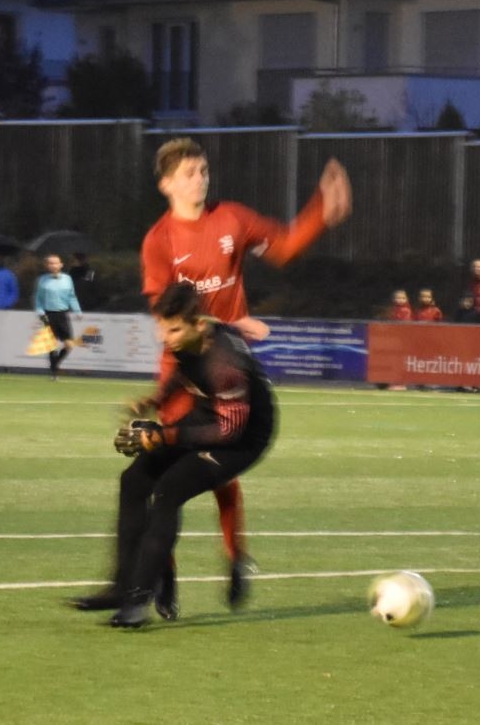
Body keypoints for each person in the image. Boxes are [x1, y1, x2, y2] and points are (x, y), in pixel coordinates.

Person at [138, 136, 351, 611]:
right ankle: (163, 572)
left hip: (227, 367)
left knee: (220, 468)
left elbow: (285, 246)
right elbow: (163, 313)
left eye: (204, 170)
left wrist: (321, 211)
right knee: (165, 468)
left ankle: (236, 558)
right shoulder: (158, 240)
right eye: (189, 173)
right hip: (181, 370)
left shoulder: (231, 218)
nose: (201, 179)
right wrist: (223, 323)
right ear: (166, 184)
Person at [81, 282, 278, 628]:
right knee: (134, 479)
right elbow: (185, 372)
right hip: (208, 416)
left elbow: (229, 431)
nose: (165, 337)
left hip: (243, 439)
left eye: (173, 330)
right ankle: (122, 586)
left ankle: (138, 601)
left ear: (198, 325)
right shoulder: (192, 339)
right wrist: (154, 401)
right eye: (161, 328)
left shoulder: (226, 365)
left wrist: (165, 435)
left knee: (169, 489)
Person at [33, 253, 81, 380]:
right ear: (47, 266)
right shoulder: (42, 280)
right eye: (50, 263)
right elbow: (39, 299)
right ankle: (54, 373)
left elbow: (72, 296)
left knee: (69, 344)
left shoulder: (67, 279)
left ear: (61, 265)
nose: (53, 265)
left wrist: (77, 310)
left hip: (62, 314)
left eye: (55, 263)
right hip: (48, 314)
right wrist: (40, 312)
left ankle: (55, 365)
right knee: (52, 345)